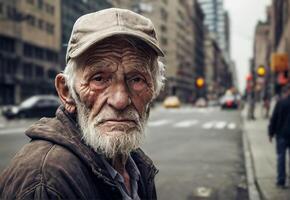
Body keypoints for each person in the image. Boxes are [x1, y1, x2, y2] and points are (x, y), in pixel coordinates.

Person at [0, 8, 165, 200]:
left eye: (137, 79)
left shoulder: (133, 165)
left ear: (154, 89)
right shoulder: (44, 182)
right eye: (99, 79)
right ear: (67, 92)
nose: (120, 101)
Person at [268, 84, 290, 188]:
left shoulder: (280, 103)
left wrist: (270, 133)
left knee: (281, 158)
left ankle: (281, 181)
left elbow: (274, 118)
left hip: (281, 134)